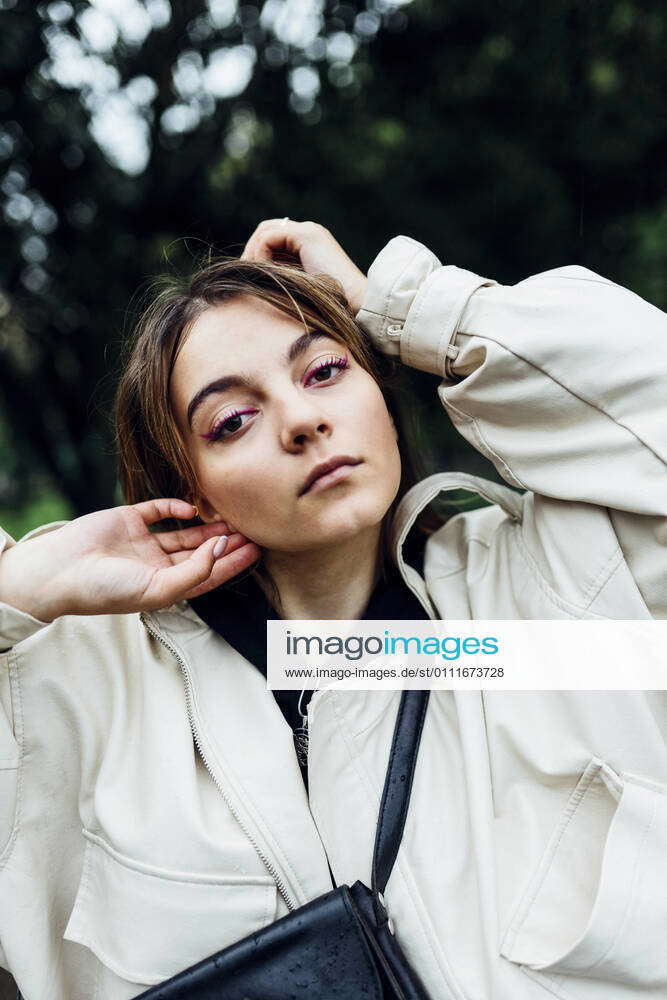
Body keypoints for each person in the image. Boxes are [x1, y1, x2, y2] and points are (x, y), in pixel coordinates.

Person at [0, 219, 666, 1000]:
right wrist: (21, 586)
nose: (302, 421)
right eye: (232, 421)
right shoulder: (78, 691)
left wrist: (404, 307)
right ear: (190, 488)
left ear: (381, 392)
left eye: (322, 371)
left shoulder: (557, 591)